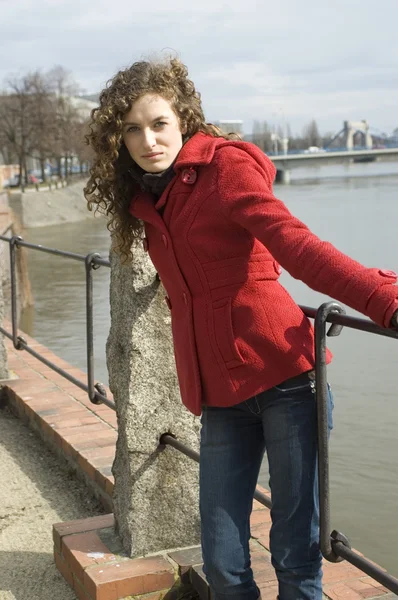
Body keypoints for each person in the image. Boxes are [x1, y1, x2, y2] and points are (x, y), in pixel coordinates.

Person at [84, 57, 398, 600]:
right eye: (132, 129)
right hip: (223, 396)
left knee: (296, 557)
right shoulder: (148, 201)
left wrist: (384, 298)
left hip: (287, 379)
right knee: (225, 561)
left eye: (158, 123)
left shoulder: (225, 170)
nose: (148, 140)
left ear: (183, 117)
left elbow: (297, 247)